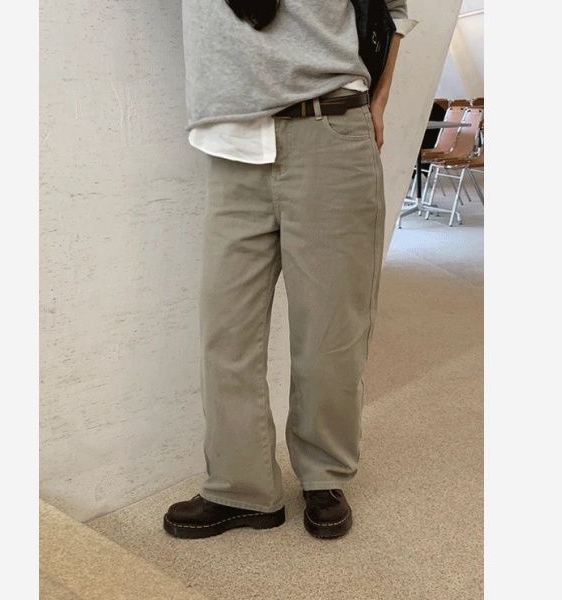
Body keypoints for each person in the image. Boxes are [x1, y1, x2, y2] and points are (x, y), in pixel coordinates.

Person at [163, 0, 417, 539]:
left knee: (330, 330)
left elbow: (393, 8)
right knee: (226, 333)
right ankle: (240, 487)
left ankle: (324, 475)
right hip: (231, 143)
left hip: (330, 125)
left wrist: (380, 97)